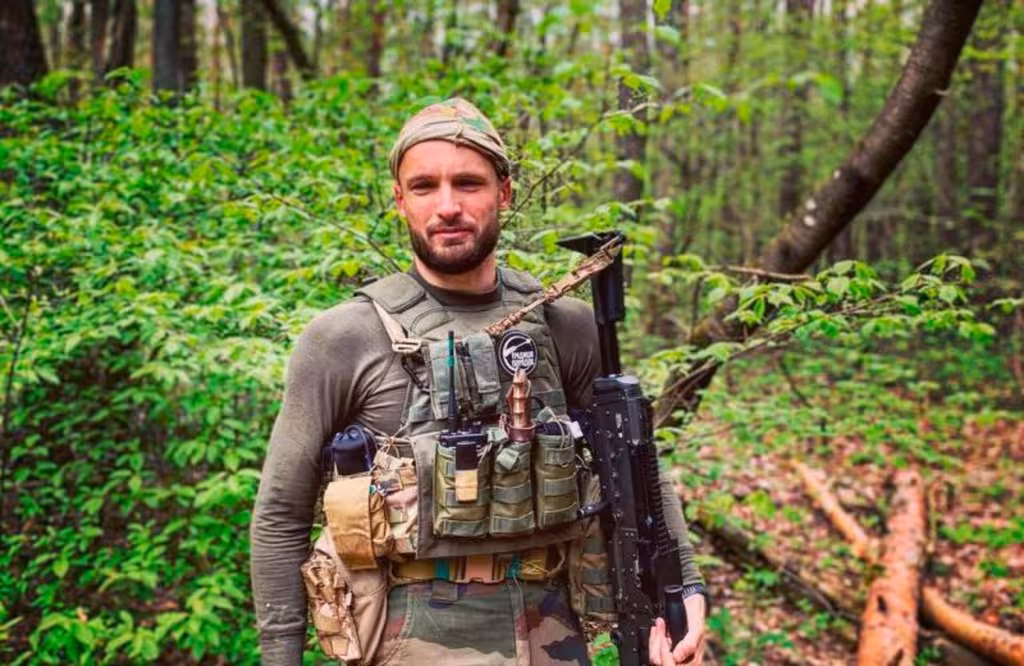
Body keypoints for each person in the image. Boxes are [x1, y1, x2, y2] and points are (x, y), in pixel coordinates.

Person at [250, 98, 707, 666]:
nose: (448, 206)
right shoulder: (343, 338)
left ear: (504, 192)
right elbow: (280, 515)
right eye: (424, 187)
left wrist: (684, 589)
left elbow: (635, 466)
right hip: (408, 641)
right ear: (399, 200)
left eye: (468, 183)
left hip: (555, 635)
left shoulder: (565, 327)